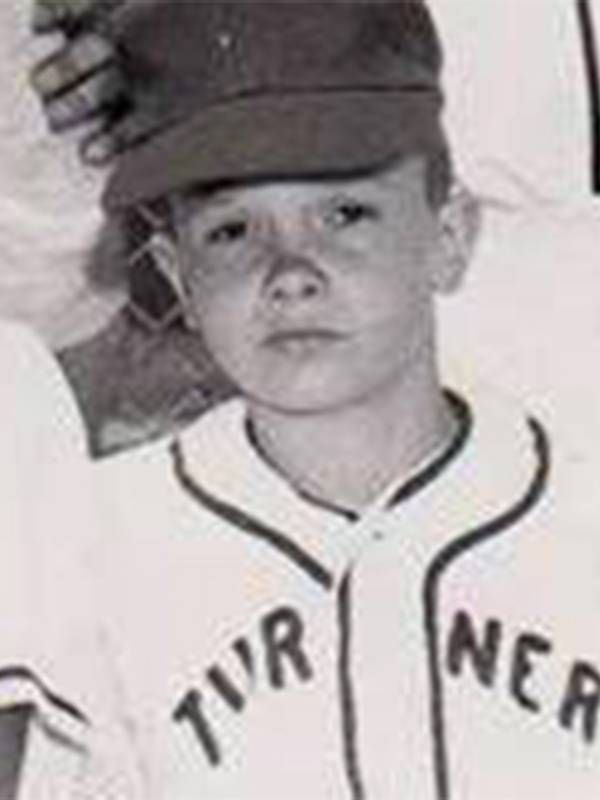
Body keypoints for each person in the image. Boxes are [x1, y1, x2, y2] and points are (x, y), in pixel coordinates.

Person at [8, 1, 600, 798]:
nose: (290, 272)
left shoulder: (577, 517)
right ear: (176, 275)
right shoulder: (103, 552)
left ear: (450, 236)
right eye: (231, 231)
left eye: (344, 213)